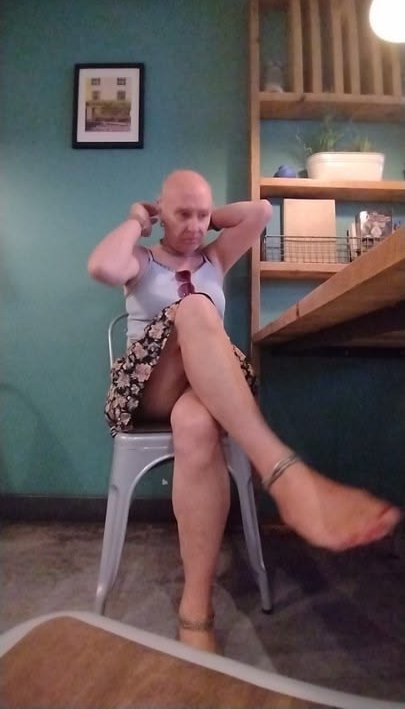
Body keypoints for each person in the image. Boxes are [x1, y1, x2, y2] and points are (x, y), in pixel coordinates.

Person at [88, 169, 401, 653]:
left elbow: (260, 213)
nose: (194, 225)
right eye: (182, 214)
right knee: (195, 308)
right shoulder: (142, 260)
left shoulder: (214, 257)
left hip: (205, 391)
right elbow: (103, 268)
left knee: (197, 425)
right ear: (160, 212)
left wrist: (206, 218)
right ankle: (281, 470)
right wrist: (136, 220)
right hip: (150, 388)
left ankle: (196, 610)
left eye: (202, 215)